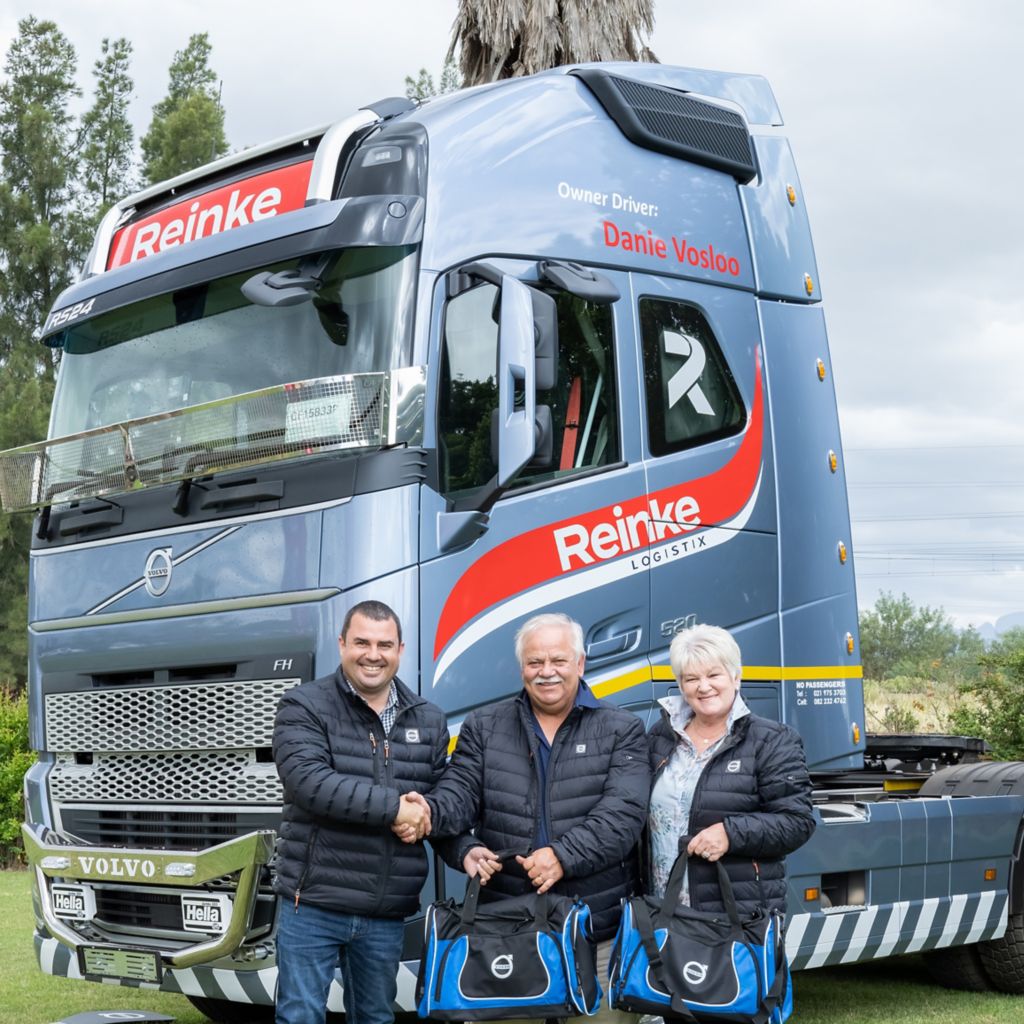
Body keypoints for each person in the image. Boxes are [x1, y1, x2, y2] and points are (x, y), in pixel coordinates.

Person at [413, 612, 650, 1024]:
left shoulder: (621, 729)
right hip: (506, 928)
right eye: (535, 662)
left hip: (597, 929)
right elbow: (459, 794)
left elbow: (624, 814)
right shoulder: (485, 727)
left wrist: (562, 856)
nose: (546, 673)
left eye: (558, 661)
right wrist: (441, 825)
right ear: (521, 667)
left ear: (580, 663)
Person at [272, 600, 448, 1024]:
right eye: (362, 642)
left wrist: (462, 845)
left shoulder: (428, 719)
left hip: (384, 910)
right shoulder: (303, 706)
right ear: (342, 645)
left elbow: (441, 799)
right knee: (300, 1017)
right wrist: (395, 810)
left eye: (384, 644)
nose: (373, 654)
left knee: (375, 1017)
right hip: (312, 902)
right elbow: (310, 783)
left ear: (401, 649)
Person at [646, 623, 815, 919]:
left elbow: (797, 822)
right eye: (691, 678)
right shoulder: (661, 736)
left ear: (736, 677)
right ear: (681, 685)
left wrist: (730, 833)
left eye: (713, 675)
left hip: (734, 916)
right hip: (662, 911)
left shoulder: (772, 740)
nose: (703, 686)